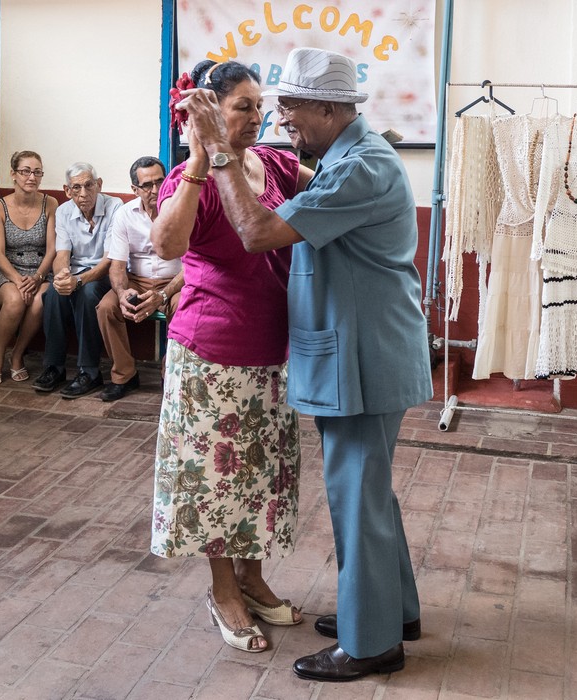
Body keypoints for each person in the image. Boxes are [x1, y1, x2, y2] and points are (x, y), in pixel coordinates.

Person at [177, 47, 433, 681]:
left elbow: (257, 232)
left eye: (290, 105)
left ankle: (371, 644)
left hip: (365, 360)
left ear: (330, 108)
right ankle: (393, 613)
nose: (280, 117)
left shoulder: (359, 168)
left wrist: (221, 152)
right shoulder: (346, 158)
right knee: (370, 493)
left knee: (357, 498)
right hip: (365, 352)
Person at [149, 59, 314, 654]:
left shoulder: (274, 164)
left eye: (259, 107)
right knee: (215, 480)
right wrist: (200, 157)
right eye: (244, 106)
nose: (257, 117)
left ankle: (252, 577)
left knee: (261, 475)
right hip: (211, 354)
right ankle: (224, 590)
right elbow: (166, 245)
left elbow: (331, 187)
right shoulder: (185, 178)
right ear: (211, 111)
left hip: (271, 351)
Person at [96, 156, 184, 401]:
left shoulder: (181, 210)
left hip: (176, 281)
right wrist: (122, 293)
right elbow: (117, 265)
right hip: (137, 279)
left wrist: (164, 294)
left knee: (184, 306)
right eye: (147, 185)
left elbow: (192, 265)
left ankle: (170, 372)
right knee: (106, 307)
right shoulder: (125, 214)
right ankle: (124, 375)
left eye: (160, 181)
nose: (155, 190)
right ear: (134, 189)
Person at [31, 163, 121, 398]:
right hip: (76, 273)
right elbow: (62, 255)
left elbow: (109, 259)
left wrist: (78, 281)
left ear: (99, 185)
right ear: (67, 190)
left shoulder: (115, 207)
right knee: (53, 293)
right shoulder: (63, 212)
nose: (83, 193)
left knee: (88, 294)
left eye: (89, 186)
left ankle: (89, 371)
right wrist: (62, 276)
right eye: (76, 188)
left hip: (104, 273)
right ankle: (54, 367)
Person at [0, 150, 57, 386]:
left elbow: (52, 249)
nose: (31, 177)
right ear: (13, 174)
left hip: (40, 270)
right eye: (25, 171)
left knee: (40, 300)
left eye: (37, 172)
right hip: (7, 270)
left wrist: (37, 277)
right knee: (15, 300)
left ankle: (17, 355)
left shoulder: (50, 204)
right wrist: (18, 280)